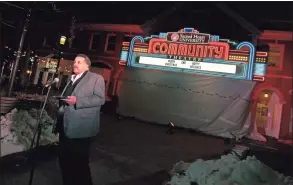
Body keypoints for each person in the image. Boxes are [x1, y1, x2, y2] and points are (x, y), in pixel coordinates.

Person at [55, 54, 105, 185]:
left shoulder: (96, 78)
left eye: (79, 62)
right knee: (64, 160)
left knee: (79, 164)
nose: (75, 64)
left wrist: (78, 101)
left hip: (82, 129)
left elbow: (100, 99)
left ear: (87, 65)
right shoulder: (70, 79)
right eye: (74, 62)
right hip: (65, 127)